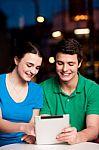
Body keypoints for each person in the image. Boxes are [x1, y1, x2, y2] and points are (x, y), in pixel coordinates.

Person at [40, 38, 99, 145]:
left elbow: (94, 129)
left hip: (82, 146)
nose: (65, 69)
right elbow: (45, 125)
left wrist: (77, 136)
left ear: (79, 63)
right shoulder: (43, 88)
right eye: (60, 63)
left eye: (71, 64)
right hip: (53, 146)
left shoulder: (93, 89)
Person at [0, 41, 43, 146]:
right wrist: (24, 127)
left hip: (24, 145)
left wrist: (32, 136)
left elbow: (33, 124)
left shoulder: (37, 90)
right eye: (29, 65)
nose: (33, 71)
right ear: (16, 60)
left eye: (37, 67)